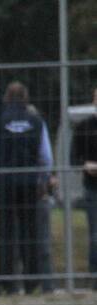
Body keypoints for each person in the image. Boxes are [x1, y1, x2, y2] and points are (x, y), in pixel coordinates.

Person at [0, 82, 53, 295]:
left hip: (4, 184)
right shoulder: (37, 121)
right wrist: (43, 180)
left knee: (5, 235)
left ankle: (6, 283)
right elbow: (46, 157)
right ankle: (32, 282)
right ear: (26, 97)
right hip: (29, 184)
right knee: (29, 233)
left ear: (6, 97)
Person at [73, 87, 97, 280]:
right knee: (95, 233)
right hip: (92, 187)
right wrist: (85, 165)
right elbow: (73, 158)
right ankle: (94, 274)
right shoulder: (84, 127)